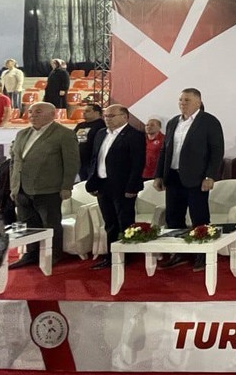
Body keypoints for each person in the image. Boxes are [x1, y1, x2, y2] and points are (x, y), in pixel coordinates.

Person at [154, 88, 224, 272]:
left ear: (198, 102)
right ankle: (179, 253)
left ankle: (202, 254)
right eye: (180, 100)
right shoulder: (172, 122)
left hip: (197, 178)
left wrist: (210, 176)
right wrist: (159, 175)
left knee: (199, 217)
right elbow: (164, 150)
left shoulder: (209, 121)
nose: (182, 103)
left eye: (187, 100)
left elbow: (217, 151)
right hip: (173, 177)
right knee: (173, 217)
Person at [9, 102, 80, 268]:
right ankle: (31, 253)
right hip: (22, 188)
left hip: (49, 188)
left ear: (52, 114)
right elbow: (15, 162)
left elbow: (72, 163)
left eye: (38, 112)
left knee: (50, 223)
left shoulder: (64, 134)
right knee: (28, 224)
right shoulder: (22, 134)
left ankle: (54, 254)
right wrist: (14, 186)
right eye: (30, 112)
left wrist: (67, 186)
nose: (32, 115)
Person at [85, 105, 146, 270]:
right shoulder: (100, 134)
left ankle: (127, 255)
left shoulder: (134, 135)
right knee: (109, 222)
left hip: (123, 186)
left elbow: (137, 163)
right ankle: (112, 255)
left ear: (124, 117)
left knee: (125, 222)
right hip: (103, 184)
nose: (107, 119)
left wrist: (132, 187)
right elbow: (95, 159)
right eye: (106, 116)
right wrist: (92, 182)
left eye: (111, 116)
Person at [73, 103, 104, 181]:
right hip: (80, 159)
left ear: (97, 112)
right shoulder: (80, 125)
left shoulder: (102, 126)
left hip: (92, 160)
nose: (84, 113)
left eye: (87, 111)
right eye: (84, 111)